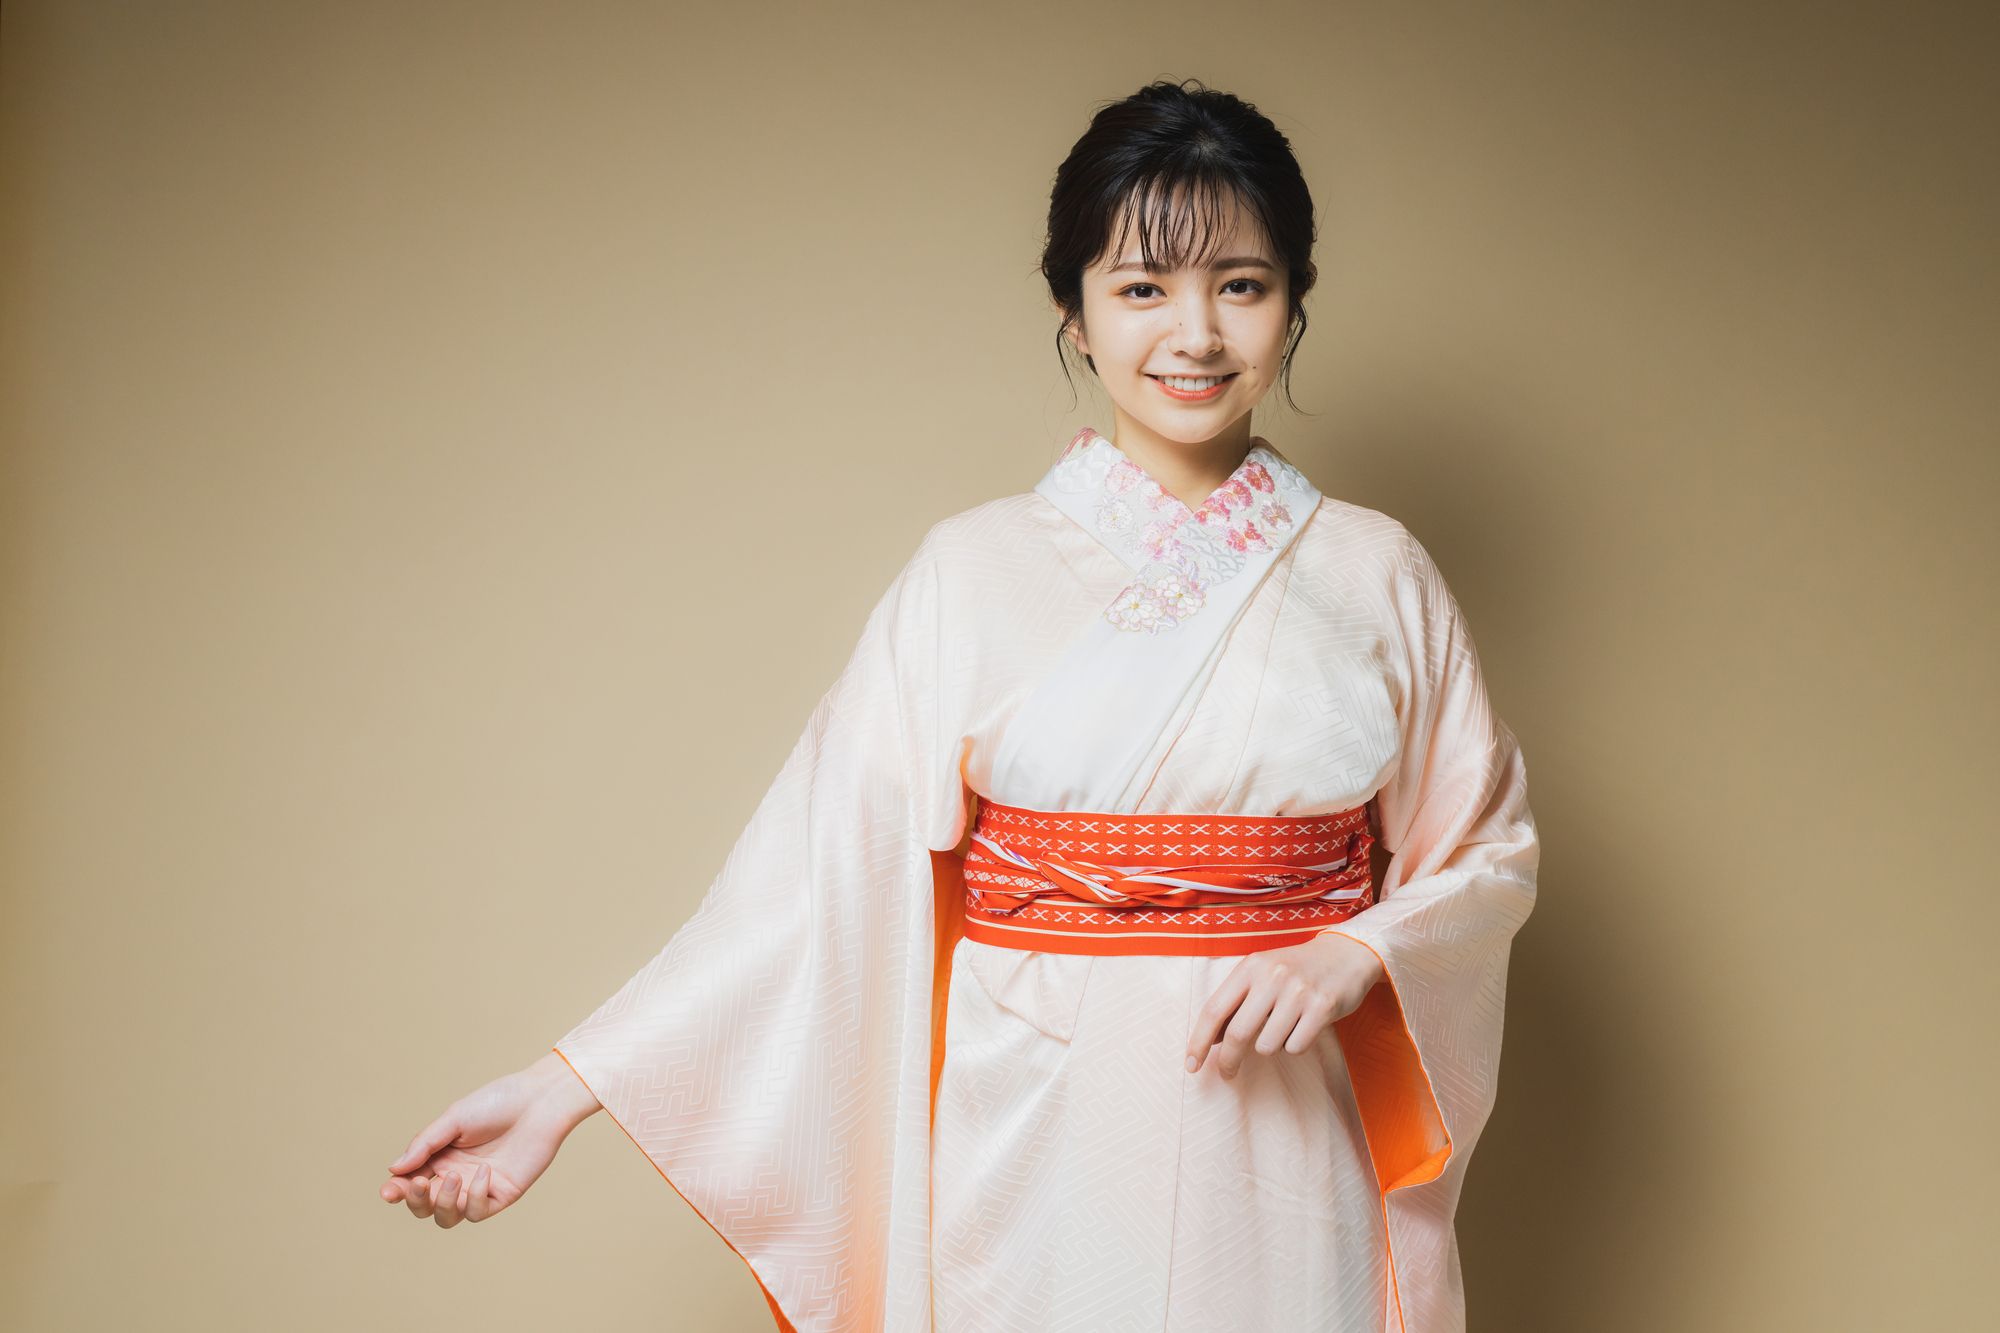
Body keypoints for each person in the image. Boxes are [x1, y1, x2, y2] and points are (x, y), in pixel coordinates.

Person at [380, 77, 1540, 1333]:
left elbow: (1482, 849)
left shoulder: (1375, 573)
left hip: (1285, 1133)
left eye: (1241, 285)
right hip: (1034, 1123)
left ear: (1294, 303)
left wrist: (1350, 951)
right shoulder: (967, 570)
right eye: (1141, 286)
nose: (1194, 333)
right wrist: (564, 1087)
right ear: (1074, 312)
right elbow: (812, 872)